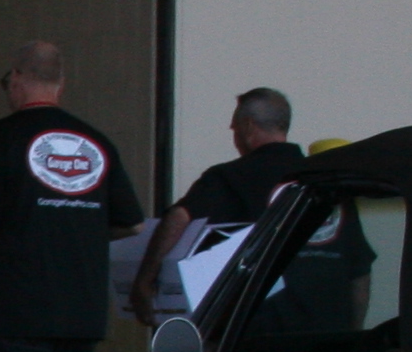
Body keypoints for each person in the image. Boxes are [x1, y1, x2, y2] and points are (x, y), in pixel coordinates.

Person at [0, 39, 142, 352]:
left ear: (16, 78)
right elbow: (133, 223)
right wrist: (77, 226)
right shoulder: (96, 141)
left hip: (22, 311)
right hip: (84, 311)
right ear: (61, 85)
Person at [128, 86, 305, 326]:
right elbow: (360, 268)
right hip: (325, 329)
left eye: (234, 128)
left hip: (256, 326)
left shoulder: (229, 176)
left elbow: (179, 217)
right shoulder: (324, 179)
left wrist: (144, 281)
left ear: (249, 126)